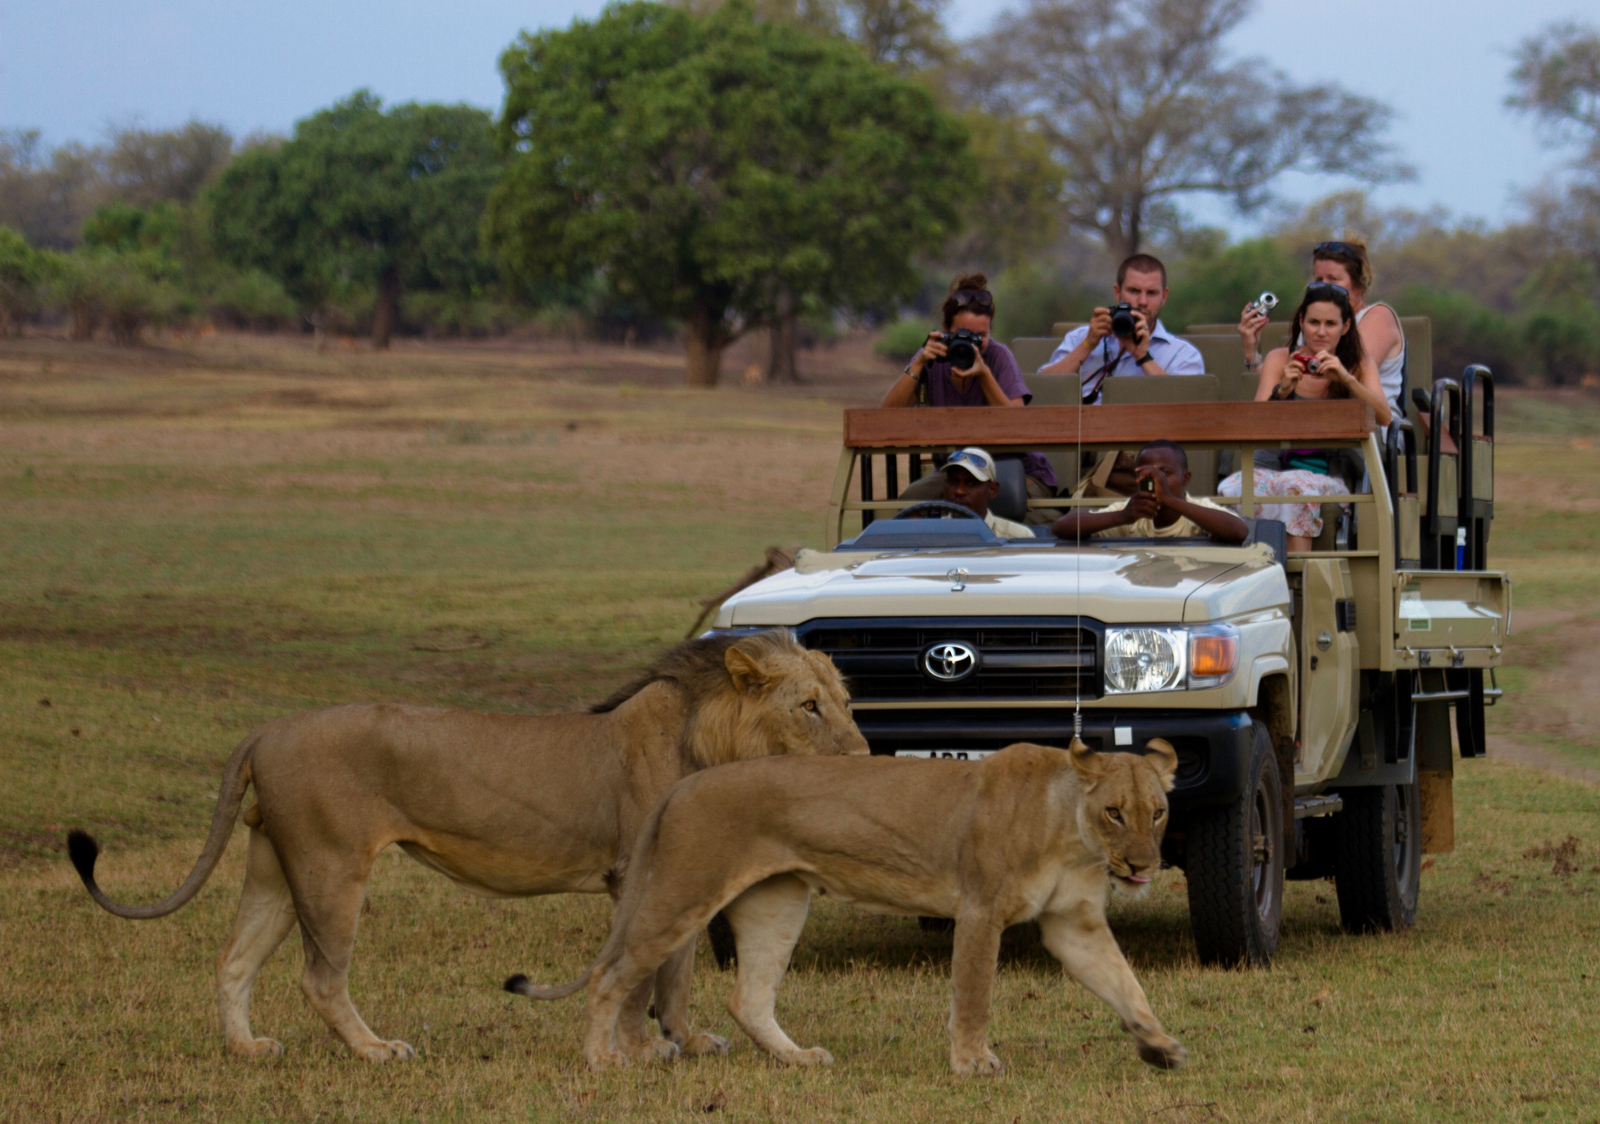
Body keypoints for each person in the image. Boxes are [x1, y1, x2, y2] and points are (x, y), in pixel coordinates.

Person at [1219, 283, 1392, 551]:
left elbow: (1384, 416)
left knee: (1295, 488)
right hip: (1274, 467)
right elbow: (1257, 421)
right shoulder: (1280, 359)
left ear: (1345, 327)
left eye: (1330, 324)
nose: (1321, 332)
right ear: (1301, 322)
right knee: (1233, 487)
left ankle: (1298, 582)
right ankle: (1248, 574)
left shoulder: (1359, 362)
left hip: (1330, 473)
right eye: (1313, 322)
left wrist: (1346, 380)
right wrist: (1284, 389)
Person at [882, 272, 1056, 521]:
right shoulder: (933, 357)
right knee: (911, 506)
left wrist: (985, 375)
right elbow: (886, 416)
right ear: (944, 329)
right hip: (957, 473)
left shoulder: (998, 356)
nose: (971, 345)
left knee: (1002, 506)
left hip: (1010, 468)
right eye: (962, 334)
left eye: (980, 337)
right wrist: (919, 363)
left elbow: (1018, 424)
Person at [1238, 238, 1406, 412]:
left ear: (1358, 288)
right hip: (1309, 418)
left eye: (1333, 279)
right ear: (1303, 322)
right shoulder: (1314, 327)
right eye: (1318, 279)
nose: (1324, 287)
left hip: (1371, 427)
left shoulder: (1377, 317)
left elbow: (1338, 380)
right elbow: (1289, 387)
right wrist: (1253, 355)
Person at [1038, 253, 1205, 404]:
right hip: (1079, 432)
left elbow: (1185, 409)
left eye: (1152, 293)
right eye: (1134, 291)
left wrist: (1143, 356)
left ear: (1164, 297)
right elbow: (1041, 390)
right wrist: (1088, 344)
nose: (1143, 301)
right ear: (1118, 293)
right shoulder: (1081, 337)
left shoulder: (1183, 354)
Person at [1052, 441, 1248, 544]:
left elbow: (1239, 531)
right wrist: (1123, 516)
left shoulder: (1199, 510)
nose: (1155, 479)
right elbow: (1061, 527)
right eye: (1145, 474)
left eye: (1165, 473)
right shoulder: (1129, 510)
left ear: (1186, 479)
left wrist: (1170, 500)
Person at [932, 447, 1035, 539]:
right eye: (953, 482)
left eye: (971, 483)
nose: (959, 491)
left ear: (992, 490)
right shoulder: (929, 534)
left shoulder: (1018, 537)